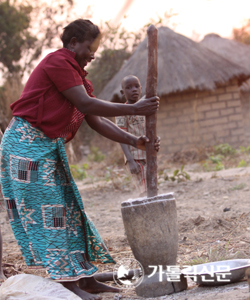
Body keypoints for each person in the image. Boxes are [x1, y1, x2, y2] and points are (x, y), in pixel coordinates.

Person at [0, 19, 159, 300]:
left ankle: (84, 278)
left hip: (47, 147)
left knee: (70, 211)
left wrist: (135, 141)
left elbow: (94, 120)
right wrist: (135, 107)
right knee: (51, 215)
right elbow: (86, 105)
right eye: (90, 47)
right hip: (25, 147)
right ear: (73, 43)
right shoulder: (57, 63)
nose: (93, 53)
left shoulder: (79, 77)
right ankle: (66, 282)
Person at [116, 75, 150, 196]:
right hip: (135, 157)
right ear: (122, 92)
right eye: (129, 87)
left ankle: (149, 210)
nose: (134, 89)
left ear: (141, 88)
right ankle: (149, 211)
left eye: (136, 86)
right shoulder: (122, 111)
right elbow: (121, 137)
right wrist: (130, 160)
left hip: (148, 155)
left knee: (150, 185)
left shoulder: (146, 109)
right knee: (144, 188)